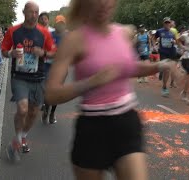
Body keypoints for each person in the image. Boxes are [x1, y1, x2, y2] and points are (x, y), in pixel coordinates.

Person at [44, 0, 171, 179]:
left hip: (126, 122)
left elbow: (128, 68)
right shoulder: (74, 40)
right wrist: (91, 82)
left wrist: (160, 66)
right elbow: (51, 94)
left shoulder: (124, 33)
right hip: (92, 129)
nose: (103, 3)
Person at [1, 1, 55, 162]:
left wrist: (44, 52)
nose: (34, 15)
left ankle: (22, 136)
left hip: (38, 77)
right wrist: (11, 54)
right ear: (24, 12)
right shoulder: (13, 31)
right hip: (20, 77)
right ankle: (17, 141)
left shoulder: (44, 33)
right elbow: (3, 51)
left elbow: (53, 52)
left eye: (36, 12)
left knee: (33, 112)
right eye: (31, 12)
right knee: (23, 109)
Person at [42, 15, 67, 125]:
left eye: (62, 23)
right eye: (58, 23)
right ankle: (46, 109)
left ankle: (52, 113)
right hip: (48, 65)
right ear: (55, 24)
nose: (60, 25)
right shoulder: (49, 35)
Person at [154, 17, 177, 97]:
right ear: (163, 23)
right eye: (166, 23)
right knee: (167, 70)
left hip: (171, 52)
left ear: (170, 24)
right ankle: (164, 87)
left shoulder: (172, 32)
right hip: (163, 52)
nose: (167, 24)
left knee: (171, 69)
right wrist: (155, 46)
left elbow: (176, 41)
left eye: (168, 23)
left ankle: (164, 75)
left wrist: (174, 41)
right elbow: (153, 38)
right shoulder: (159, 31)